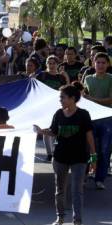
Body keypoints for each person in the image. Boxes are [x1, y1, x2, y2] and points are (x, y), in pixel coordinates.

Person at [33, 84, 96, 225]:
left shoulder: (83, 114)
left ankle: (77, 221)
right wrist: (41, 131)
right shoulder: (58, 114)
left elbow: (89, 136)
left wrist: (94, 157)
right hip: (60, 157)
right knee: (59, 190)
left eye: (63, 97)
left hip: (79, 158)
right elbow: (53, 131)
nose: (60, 100)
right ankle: (60, 217)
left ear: (73, 98)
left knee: (77, 191)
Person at [83, 52, 112, 190]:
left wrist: (92, 100)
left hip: (107, 119)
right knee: (89, 149)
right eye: (97, 62)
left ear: (108, 64)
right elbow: (83, 96)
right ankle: (85, 175)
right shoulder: (87, 78)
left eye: (103, 62)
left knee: (105, 150)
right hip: (91, 119)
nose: (100, 65)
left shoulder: (111, 79)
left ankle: (100, 179)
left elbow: (110, 100)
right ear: (93, 63)